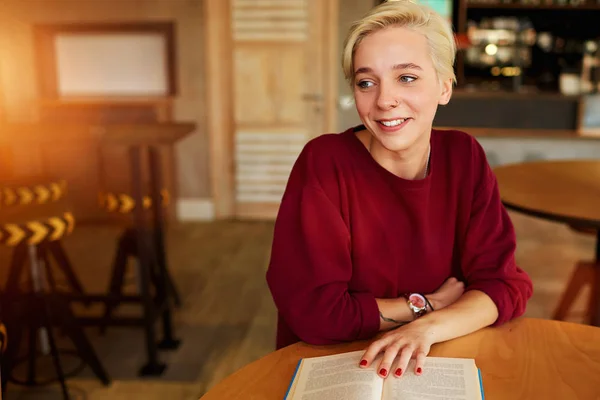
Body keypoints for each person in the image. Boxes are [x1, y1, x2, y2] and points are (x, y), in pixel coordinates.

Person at [266, 0, 533, 380]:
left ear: (444, 86)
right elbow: (315, 315)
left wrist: (427, 327)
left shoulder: (464, 156)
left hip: (441, 359)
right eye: (366, 82)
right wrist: (427, 305)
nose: (384, 100)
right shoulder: (325, 162)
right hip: (336, 367)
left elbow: (504, 285)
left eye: (406, 77)